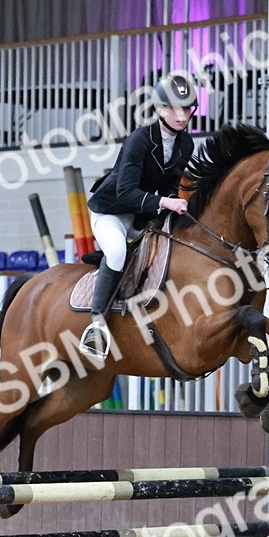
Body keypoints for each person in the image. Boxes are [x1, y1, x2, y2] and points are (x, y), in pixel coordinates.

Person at [80, 73, 198, 360]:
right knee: (118, 250)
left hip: (141, 215)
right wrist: (165, 203)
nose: (181, 116)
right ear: (159, 109)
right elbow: (125, 192)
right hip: (111, 212)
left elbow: (171, 185)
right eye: (173, 108)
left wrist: (173, 205)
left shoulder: (186, 145)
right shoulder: (139, 139)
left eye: (186, 108)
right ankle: (96, 325)